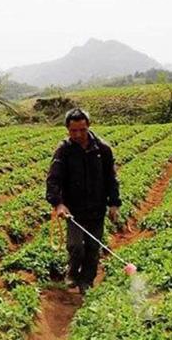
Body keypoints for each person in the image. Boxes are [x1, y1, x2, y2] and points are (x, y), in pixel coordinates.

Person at [46, 108, 121, 295]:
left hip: (96, 208)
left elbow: (111, 178)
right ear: (67, 130)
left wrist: (114, 203)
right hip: (74, 210)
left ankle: (87, 280)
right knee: (75, 246)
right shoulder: (63, 151)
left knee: (93, 248)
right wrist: (58, 203)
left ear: (88, 126)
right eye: (73, 131)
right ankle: (72, 273)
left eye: (82, 130)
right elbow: (53, 179)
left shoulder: (103, 149)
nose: (78, 134)